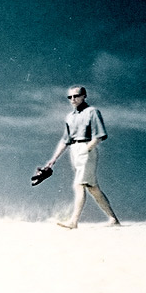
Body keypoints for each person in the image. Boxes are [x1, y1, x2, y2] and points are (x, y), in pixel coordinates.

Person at [44, 85, 120, 229]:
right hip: (74, 150)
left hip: (87, 149)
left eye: (76, 96)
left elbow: (99, 136)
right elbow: (65, 140)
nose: (73, 99)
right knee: (92, 188)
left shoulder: (92, 112)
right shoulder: (70, 117)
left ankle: (73, 221)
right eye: (70, 97)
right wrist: (53, 160)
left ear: (84, 96)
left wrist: (86, 149)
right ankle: (113, 219)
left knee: (78, 184)